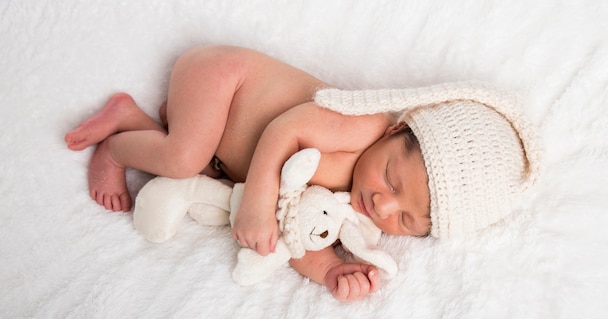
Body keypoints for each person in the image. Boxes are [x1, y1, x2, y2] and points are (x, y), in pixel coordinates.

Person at [65, 45, 540, 302]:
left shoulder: (358, 208)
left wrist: (332, 269)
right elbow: (283, 129)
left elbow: (298, 231)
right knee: (186, 160)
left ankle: (133, 118)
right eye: (393, 180)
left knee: (203, 169)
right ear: (398, 129)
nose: (384, 204)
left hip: (216, 137)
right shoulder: (363, 125)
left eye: (409, 221)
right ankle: (117, 151)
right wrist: (255, 199)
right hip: (223, 80)